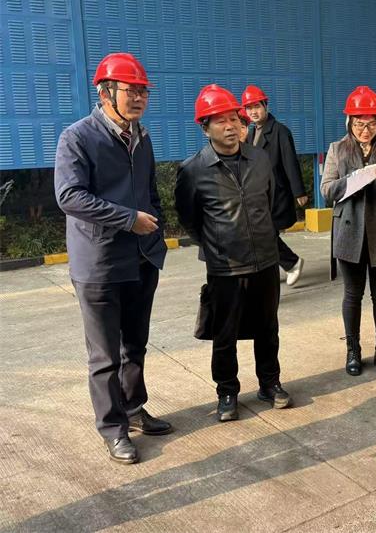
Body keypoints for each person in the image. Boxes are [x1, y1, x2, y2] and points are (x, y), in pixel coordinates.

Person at [54, 52, 171, 464]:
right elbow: (69, 196)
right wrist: (128, 219)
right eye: (130, 91)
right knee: (104, 355)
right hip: (99, 263)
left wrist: (155, 228)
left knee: (135, 344)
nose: (139, 98)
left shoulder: (142, 137)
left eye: (143, 92)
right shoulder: (77, 138)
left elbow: (149, 192)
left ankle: (134, 408)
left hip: (141, 258)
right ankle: (112, 428)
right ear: (105, 93)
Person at [175, 84, 291, 422]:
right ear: (205, 127)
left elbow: (268, 201)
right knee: (224, 335)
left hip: (265, 259)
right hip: (225, 267)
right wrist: (217, 244)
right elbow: (189, 219)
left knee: (268, 327)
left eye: (233, 118)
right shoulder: (193, 170)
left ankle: (270, 383)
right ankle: (227, 392)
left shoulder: (259, 159)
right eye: (220, 121)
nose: (230, 126)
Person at [320, 86, 376, 377]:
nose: (365, 130)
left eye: (371, 124)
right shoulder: (337, 150)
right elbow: (326, 191)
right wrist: (351, 180)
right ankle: (353, 350)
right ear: (349, 122)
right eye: (359, 124)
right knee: (352, 294)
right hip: (350, 231)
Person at [242, 85, 308, 286]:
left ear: (266, 106)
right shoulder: (250, 133)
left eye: (257, 106)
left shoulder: (280, 131)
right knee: (261, 235)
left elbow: (290, 162)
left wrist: (299, 191)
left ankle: (292, 263)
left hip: (276, 193)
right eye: (249, 108)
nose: (253, 112)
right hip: (258, 195)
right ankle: (273, 269)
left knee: (266, 234)